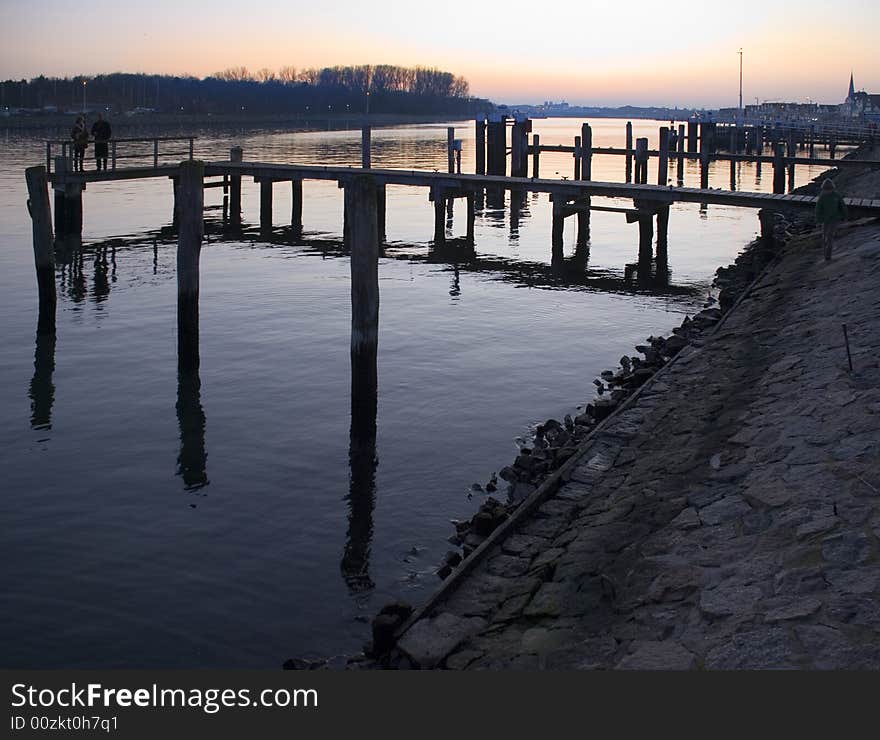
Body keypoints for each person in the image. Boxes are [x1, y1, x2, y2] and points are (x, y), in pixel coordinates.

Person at [814, 178, 848, 261]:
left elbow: (842, 206)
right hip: (825, 220)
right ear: (823, 189)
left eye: (830, 189)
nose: (828, 191)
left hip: (834, 219)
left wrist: (844, 216)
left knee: (830, 237)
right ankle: (825, 253)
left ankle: (828, 255)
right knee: (824, 237)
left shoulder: (836, 196)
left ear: (833, 188)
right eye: (826, 190)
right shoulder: (822, 197)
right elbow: (818, 209)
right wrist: (818, 220)